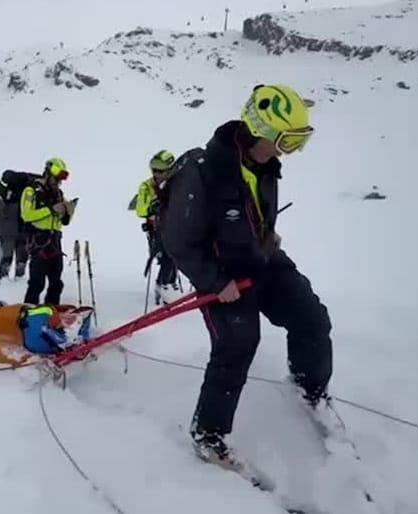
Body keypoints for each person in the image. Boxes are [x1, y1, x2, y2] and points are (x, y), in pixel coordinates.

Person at [158, 84, 333, 469]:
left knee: (313, 320)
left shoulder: (265, 165)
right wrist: (215, 281)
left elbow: (253, 217)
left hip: (263, 262)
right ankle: (209, 434)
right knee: (237, 345)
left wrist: (267, 239)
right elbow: (178, 240)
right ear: (262, 129)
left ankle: (309, 390)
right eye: (288, 140)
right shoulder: (204, 171)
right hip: (223, 279)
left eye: (299, 141)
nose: (291, 150)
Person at [20, 157, 77, 305]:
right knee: (37, 282)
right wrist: (50, 210)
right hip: (38, 240)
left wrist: (68, 211)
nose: (58, 182)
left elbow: (64, 222)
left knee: (56, 283)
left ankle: (52, 311)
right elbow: (27, 215)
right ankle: (29, 313)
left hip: (55, 240)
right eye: (56, 178)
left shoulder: (59, 193)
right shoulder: (31, 191)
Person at [135, 149, 181, 305]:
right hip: (156, 229)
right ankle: (162, 286)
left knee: (176, 256)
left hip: (175, 227)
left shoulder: (177, 183)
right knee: (165, 256)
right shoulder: (146, 187)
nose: (156, 174)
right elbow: (140, 209)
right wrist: (152, 207)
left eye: (160, 171)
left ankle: (171, 284)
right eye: (154, 170)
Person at [0, 171, 32, 283]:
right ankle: (19, 279)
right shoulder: (27, 194)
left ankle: (3, 280)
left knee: (6, 257)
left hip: (7, 230)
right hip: (23, 229)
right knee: (22, 258)